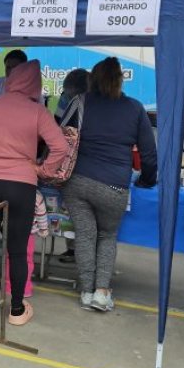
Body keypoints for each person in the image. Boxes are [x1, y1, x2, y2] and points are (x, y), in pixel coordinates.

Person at [0, 59, 69, 326]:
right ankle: (17, 309)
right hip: (22, 185)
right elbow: (60, 147)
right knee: (18, 250)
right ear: (35, 84)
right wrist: (43, 170)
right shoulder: (38, 112)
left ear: (10, 80)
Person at [62, 57, 156, 313]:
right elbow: (149, 154)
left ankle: (85, 291)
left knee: (85, 235)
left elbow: (60, 138)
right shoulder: (135, 108)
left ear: (93, 79)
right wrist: (148, 180)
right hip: (114, 186)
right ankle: (102, 293)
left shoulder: (80, 102)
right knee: (106, 236)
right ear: (120, 80)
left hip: (77, 181)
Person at [53, 68, 90, 264]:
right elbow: (57, 122)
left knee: (77, 211)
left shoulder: (79, 101)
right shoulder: (67, 99)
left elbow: (60, 130)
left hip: (78, 163)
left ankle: (79, 251)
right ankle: (73, 249)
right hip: (80, 162)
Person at [5, 189, 49, 298]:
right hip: (28, 234)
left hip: (10, 230)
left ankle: (8, 286)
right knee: (26, 260)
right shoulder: (37, 195)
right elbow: (41, 214)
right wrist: (44, 230)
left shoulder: (10, 190)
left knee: (9, 259)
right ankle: (25, 288)